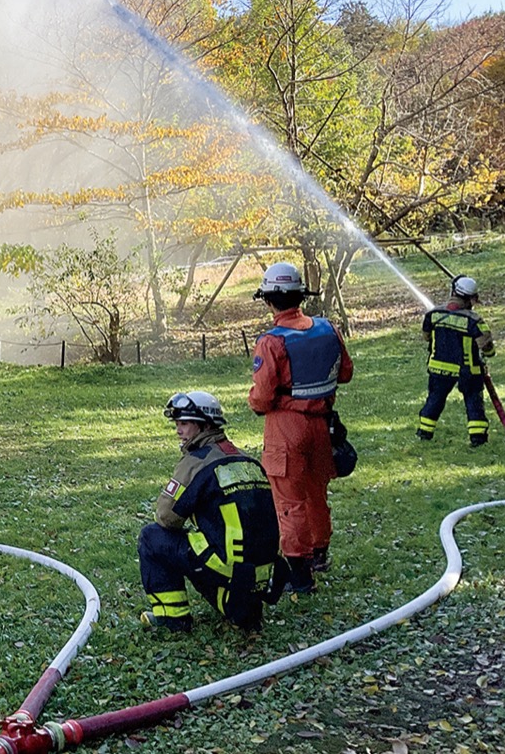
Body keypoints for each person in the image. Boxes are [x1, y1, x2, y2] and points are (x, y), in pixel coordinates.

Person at [138, 390, 283, 633]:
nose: (178, 430)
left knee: (152, 537)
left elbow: (166, 516)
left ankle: (173, 618)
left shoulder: (196, 462)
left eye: (184, 423)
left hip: (228, 568)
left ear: (204, 425)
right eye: (177, 424)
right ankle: (235, 603)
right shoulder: (246, 460)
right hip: (261, 574)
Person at [249, 262, 353, 594]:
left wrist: (257, 399)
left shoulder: (271, 342)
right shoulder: (328, 328)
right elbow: (346, 373)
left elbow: (262, 398)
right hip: (322, 425)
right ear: (300, 296)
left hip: (286, 430)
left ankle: (300, 572)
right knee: (315, 493)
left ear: (268, 300)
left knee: (289, 501)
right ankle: (320, 553)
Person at [418, 275, 495, 447]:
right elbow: (487, 347)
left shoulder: (433, 315)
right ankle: (478, 439)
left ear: (453, 291)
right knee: (473, 402)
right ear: (471, 298)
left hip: (438, 369)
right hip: (468, 370)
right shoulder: (474, 320)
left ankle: (424, 433)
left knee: (435, 399)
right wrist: (489, 353)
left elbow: (426, 337)